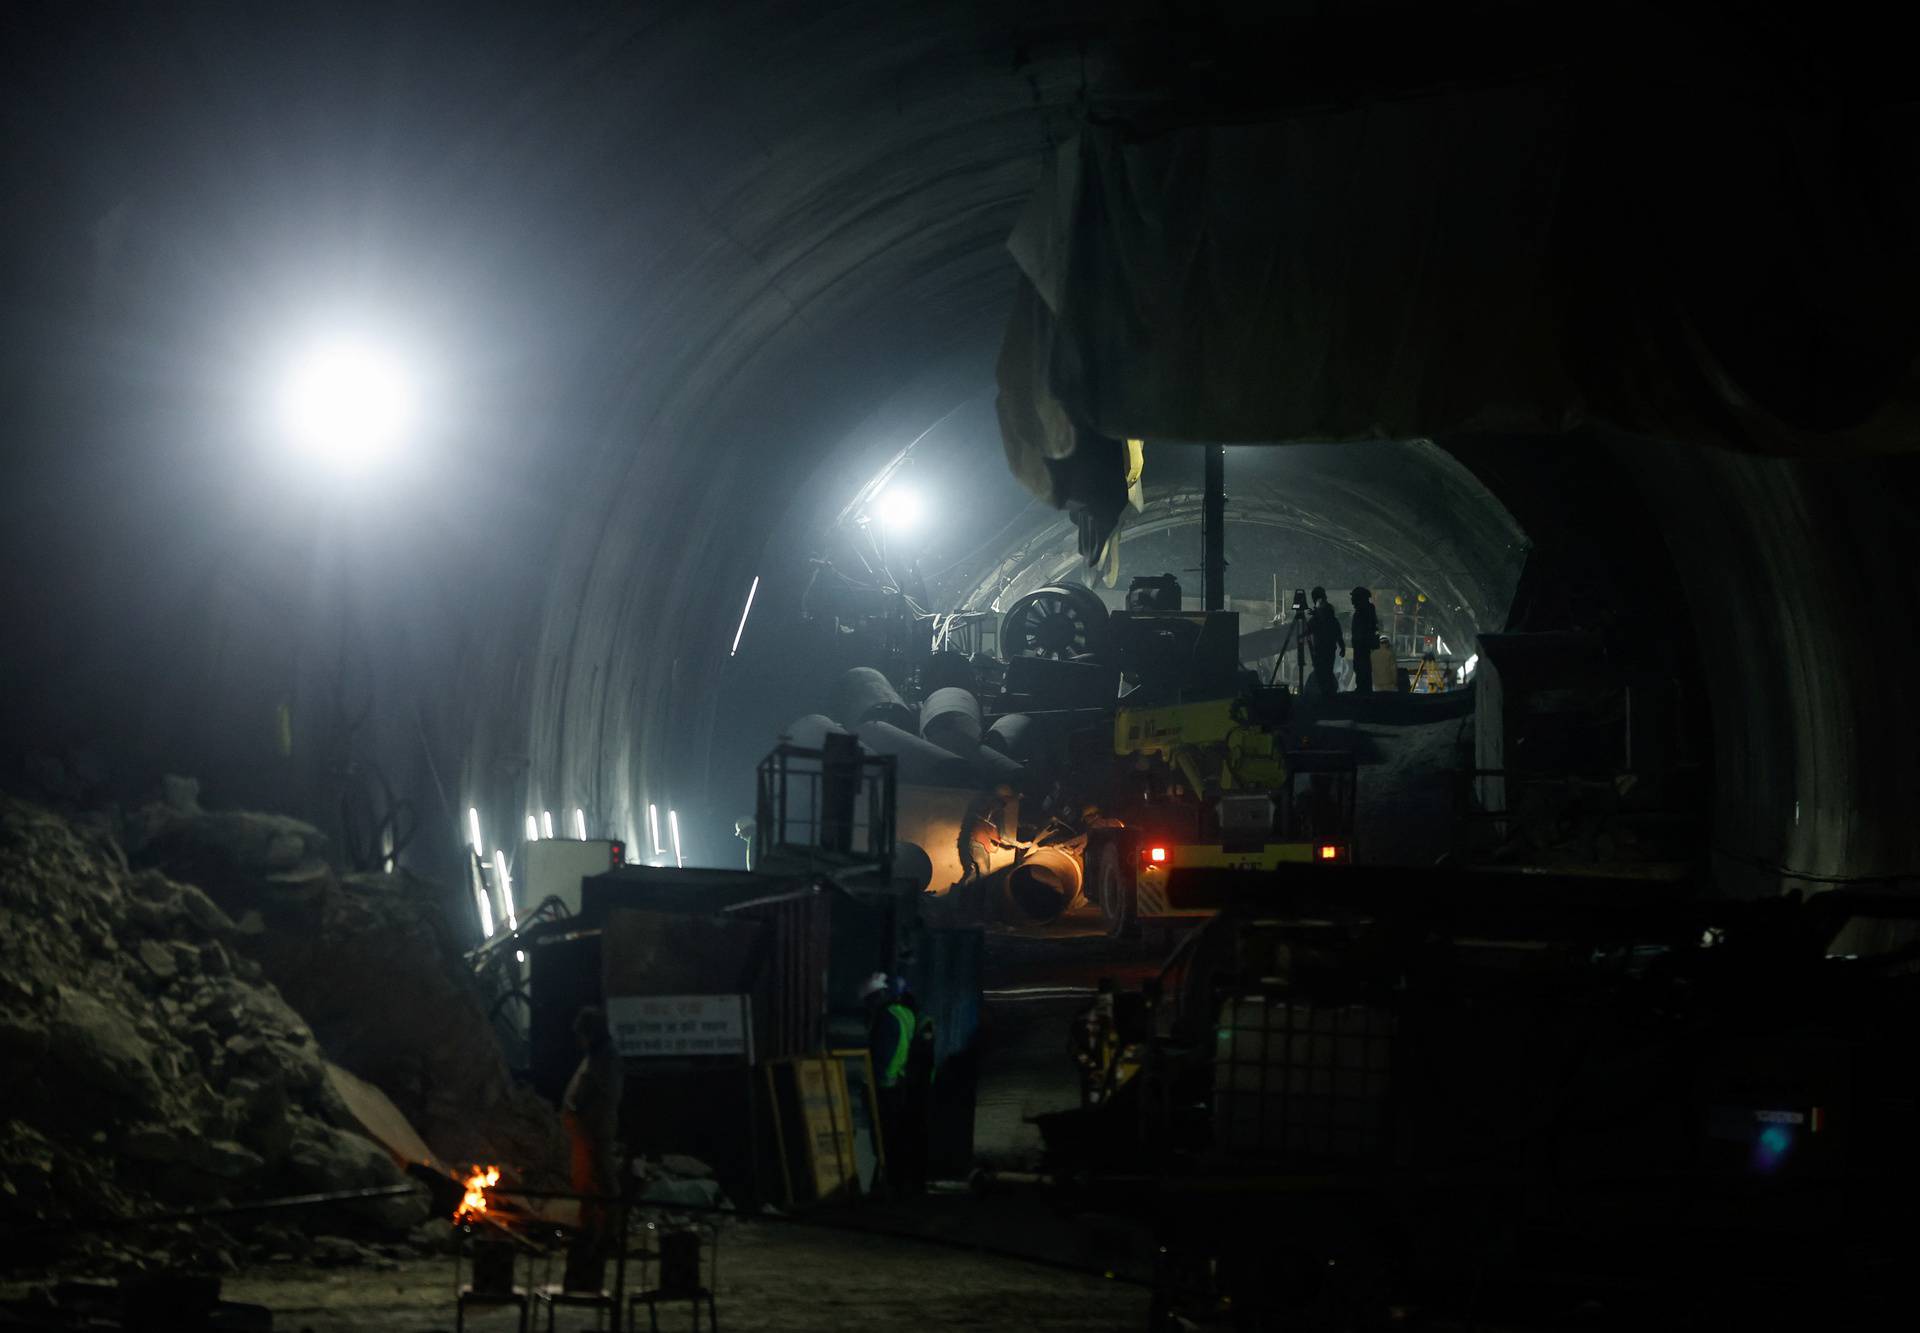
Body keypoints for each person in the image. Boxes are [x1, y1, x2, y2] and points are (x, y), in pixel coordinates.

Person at [561, 1005, 624, 1292]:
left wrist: (580, 1108)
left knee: (602, 1179)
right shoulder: (597, 1055)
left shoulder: (606, 1058)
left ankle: (608, 1233)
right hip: (587, 1126)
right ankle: (591, 1229)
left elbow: (599, 1091)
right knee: (589, 1179)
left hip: (596, 1127)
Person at [862, 973, 920, 1196]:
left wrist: (874, 1079)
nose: (871, 1003)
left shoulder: (887, 1017)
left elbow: (883, 1053)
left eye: (873, 997)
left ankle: (887, 1184)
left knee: (884, 1137)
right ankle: (896, 1181)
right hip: (899, 1082)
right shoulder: (907, 1014)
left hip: (885, 1085)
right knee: (895, 1134)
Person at [1306, 586, 1344, 696]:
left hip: (1320, 649)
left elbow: (1310, 628)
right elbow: (1336, 630)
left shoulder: (1318, 612)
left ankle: (1325, 693)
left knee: (1321, 673)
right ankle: (1328, 693)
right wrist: (1341, 645)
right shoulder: (1329, 614)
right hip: (1329, 648)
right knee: (1327, 671)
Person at [1349, 588, 1379, 693]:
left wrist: (1359, 640)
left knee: (1361, 666)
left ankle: (1363, 689)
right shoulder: (1368, 610)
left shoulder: (1362, 612)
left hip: (1361, 644)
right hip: (1362, 644)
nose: (1352, 600)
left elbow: (1362, 629)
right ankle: (1363, 688)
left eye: (1354, 597)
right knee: (1362, 666)